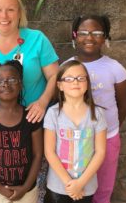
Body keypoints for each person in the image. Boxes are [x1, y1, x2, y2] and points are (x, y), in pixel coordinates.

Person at [69, 15, 126, 203]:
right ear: (74, 36)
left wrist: (109, 128)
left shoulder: (115, 69)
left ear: (105, 37)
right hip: (75, 140)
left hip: (108, 137)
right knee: (76, 188)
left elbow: (123, 105)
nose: (90, 37)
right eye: (84, 33)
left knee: (103, 189)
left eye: (97, 33)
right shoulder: (66, 68)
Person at [0, 60, 43, 203]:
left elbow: (38, 155)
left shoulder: (31, 117)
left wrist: (25, 187)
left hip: (27, 191)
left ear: (21, 84)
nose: (5, 84)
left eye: (12, 79)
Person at [44, 60, 107, 203]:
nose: (75, 82)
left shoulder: (98, 113)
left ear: (87, 83)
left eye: (80, 78)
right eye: (69, 78)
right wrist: (70, 184)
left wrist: (80, 183)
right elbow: (49, 151)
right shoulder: (53, 114)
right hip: (58, 187)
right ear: (60, 85)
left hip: (86, 186)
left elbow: (100, 152)